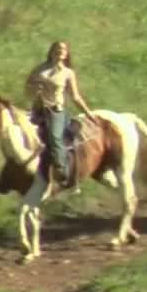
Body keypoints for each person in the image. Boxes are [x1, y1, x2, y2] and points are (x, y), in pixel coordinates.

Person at [25, 40, 94, 189]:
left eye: (63, 49)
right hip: (38, 109)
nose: (60, 51)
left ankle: (62, 170)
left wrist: (88, 113)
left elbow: (75, 96)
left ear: (67, 54)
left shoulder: (68, 73)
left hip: (55, 111)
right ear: (51, 51)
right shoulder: (40, 69)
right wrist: (33, 89)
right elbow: (28, 87)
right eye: (57, 48)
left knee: (55, 137)